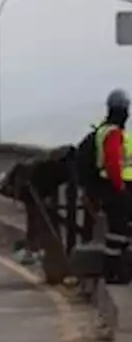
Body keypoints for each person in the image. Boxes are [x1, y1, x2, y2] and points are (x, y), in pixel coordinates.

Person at [76, 89, 132, 282]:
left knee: (118, 231)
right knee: (119, 231)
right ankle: (115, 272)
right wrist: (121, 188)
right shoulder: (114, 133)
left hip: (107, 186)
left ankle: (114, 270)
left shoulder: (104, 130)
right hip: (114, 187)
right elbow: (113, 163)